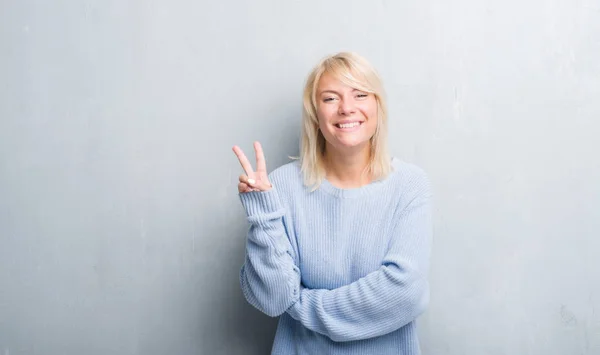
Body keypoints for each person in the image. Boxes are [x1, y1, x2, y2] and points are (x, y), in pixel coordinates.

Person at [232, 52, 433, 355]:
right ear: (315, 114)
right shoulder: (282, 185)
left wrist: (301, 304)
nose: (347, 108)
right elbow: (273, 299)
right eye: (330, 98)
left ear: (377, 106)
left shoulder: (409, 185)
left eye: (360, 94)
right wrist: (264, 215)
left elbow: (404, 293)